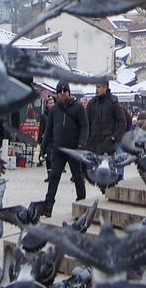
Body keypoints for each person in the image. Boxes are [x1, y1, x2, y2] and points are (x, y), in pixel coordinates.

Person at [39, 85, 88, 217]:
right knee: (54, 177)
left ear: (69, 92)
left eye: (64, 91)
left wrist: (82, 144)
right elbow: (48, 130)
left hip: (73, 148)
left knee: (77, 176)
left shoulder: (78, 107)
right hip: (58, 148)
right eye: (59, 91)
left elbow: (84, 127)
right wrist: (43, 147)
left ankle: (81, 204)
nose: (62, 93)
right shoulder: (54, 109)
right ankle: (48, 206)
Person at [85, 80, 129, 163]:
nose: (96, 90)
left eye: (99, 87)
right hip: (93, 144)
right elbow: (86, 122)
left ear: (105, 88)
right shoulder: (92, 102)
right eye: (96, 87)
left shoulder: (113, 102)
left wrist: (114, 137)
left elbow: (122, 121)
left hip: (107, 144)